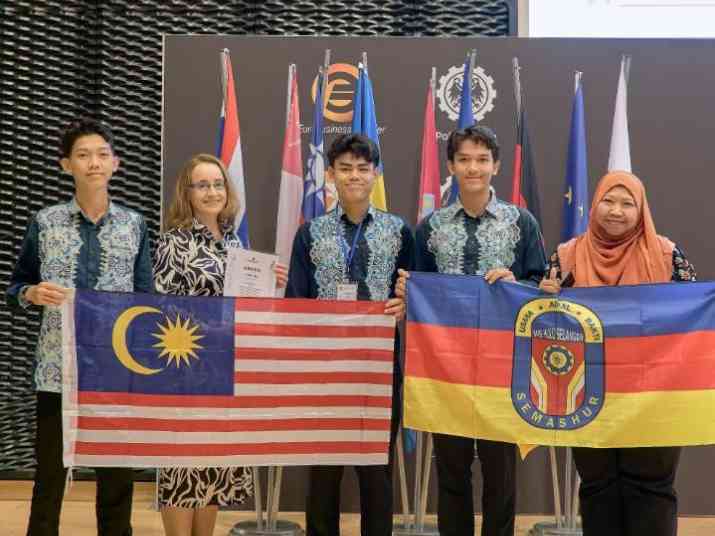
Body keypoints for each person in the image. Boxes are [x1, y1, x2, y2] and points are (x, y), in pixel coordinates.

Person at [396, 125, 547, 536]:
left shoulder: (522, 222)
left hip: (503, 368)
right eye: (464, 159)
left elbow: (541, 286)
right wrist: (408, 291)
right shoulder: (431, 227)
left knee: (501, 474)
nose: (473, 168)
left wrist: (516, 284)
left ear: (496, 165)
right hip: (447, 368)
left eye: (482, 160)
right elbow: (417, 288)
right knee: (451, 470)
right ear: (450, 166)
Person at [6, 117, 152, 536]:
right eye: (83, 155)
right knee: (50, 471)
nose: (94, 163)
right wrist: (32, 293)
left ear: (116, 163)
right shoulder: (45, 222)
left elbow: (146, 297)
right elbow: (16, 287)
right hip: (58, 369)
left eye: (102, 155)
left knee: (117, 474)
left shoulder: (135, 225)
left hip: (116, 367)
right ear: (65, 165)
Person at [538, 170, 696, 536]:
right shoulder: (566, 256)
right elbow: (546, 325)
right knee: (598, 486)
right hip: (589, 393)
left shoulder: (666, 254)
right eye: (608, 201)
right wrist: (544, 299)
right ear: (595, 204)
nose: (616, 211)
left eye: (627, 203)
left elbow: (692, 312)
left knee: (652, 487)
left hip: (654, 395)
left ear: (641, 211)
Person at [286, 133, 414, 536]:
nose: (354, 176)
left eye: (362, 168)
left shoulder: (399, 231)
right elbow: (295, 301)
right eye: (345, 168)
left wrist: (406, 303)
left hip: (378, 369)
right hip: (324, 371)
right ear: (330, 174)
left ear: (375, 174)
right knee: (323, 474)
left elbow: (416, 293)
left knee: (377, 472)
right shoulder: (310, 233)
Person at [153, 153, 287, 536]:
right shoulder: (174, 242)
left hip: (226, 371)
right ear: (187, 192)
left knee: (213, 466)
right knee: (182, 468)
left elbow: (244, 306)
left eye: (217, 184)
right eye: (202, 185)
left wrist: (269, 283)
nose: (212, 192)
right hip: (185, 373)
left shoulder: (233, 242)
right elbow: (161, 309)